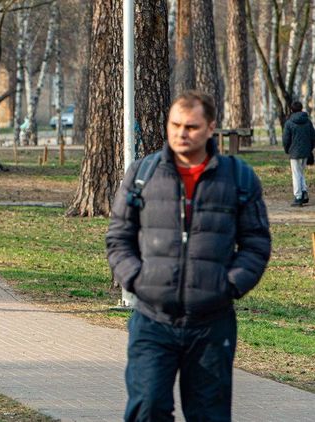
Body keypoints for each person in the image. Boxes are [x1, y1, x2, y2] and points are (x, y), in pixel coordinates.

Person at [106, 90, 271, 422]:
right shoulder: (142, 174)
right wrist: (137, 279)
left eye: (191, 127)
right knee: (147, 408)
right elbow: (119, 237)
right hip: (153, 320)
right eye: (175, 125)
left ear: (210, 128)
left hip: (211, 324)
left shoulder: (238, 178)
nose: (181, 133)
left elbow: (256, 243)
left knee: (209, 415)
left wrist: (229, 285)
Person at [282, 101, 315, 206]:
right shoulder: (308, 121)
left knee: (296, 174)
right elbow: (313, 137)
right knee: (301, 172)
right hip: (306, 152)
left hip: (294, 152)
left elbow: (286, 139)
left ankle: (298, 197)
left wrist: (287, 149)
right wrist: (310, 149)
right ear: (301, 109)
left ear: (292, 110)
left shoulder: (289, 123)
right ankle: (304, 192)